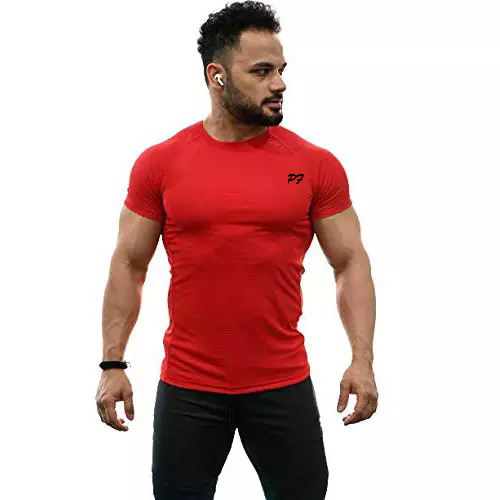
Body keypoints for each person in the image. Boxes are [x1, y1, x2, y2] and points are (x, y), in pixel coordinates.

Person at [95, 2, 378, 498]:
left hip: (282, 382)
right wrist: (112, 364)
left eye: (282, 70)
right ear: (218, 76)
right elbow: (129, 264)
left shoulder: (311, 166)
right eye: (262, 72)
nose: (279, 84)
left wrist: (362, 360)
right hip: (188, 386)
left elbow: (349, 262)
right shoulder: (161, 164)